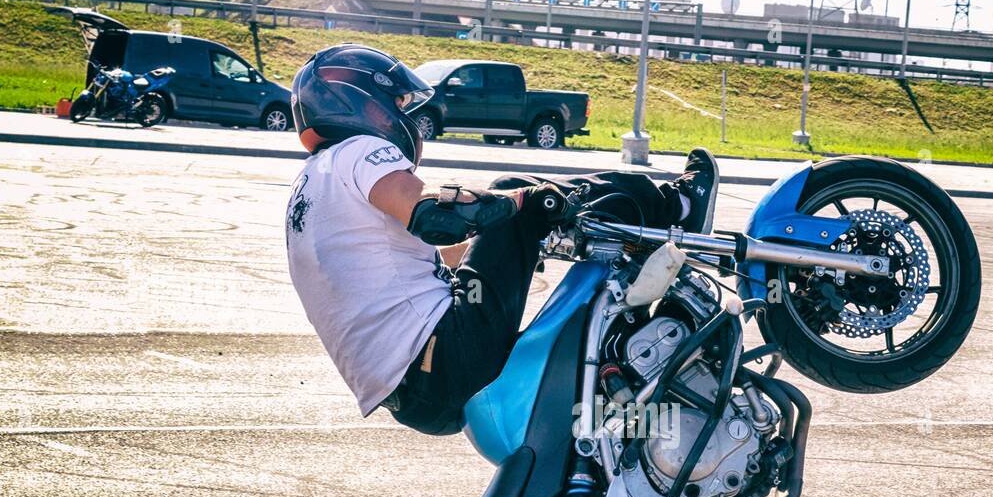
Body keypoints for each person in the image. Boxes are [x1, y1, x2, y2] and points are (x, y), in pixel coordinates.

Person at [284, 44, 719, 435]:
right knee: (518, 192)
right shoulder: (358, 151)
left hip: (418, 392)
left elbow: (433, 254)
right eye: (397, 103)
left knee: (513, 217)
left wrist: (503, 236)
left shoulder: (312, 183)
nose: (407, 115)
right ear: (360, 102)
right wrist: (526, 202)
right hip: (447, 355)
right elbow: (437, 215)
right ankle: (676, 208)